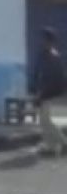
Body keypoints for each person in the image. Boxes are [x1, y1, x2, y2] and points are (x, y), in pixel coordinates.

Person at [32, 27, 66, 157]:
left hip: (50, 93)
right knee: (43, 121)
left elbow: (57, 78)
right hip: (42, 91)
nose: (43, 42)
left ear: (51, 42)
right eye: (42, 40)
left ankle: (63, 142)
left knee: (46, 121)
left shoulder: (53, 56)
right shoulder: (42, 55)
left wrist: (44, 93)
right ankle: (51, 146)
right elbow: (37, 73)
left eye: (46, 40)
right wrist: (35, 88)